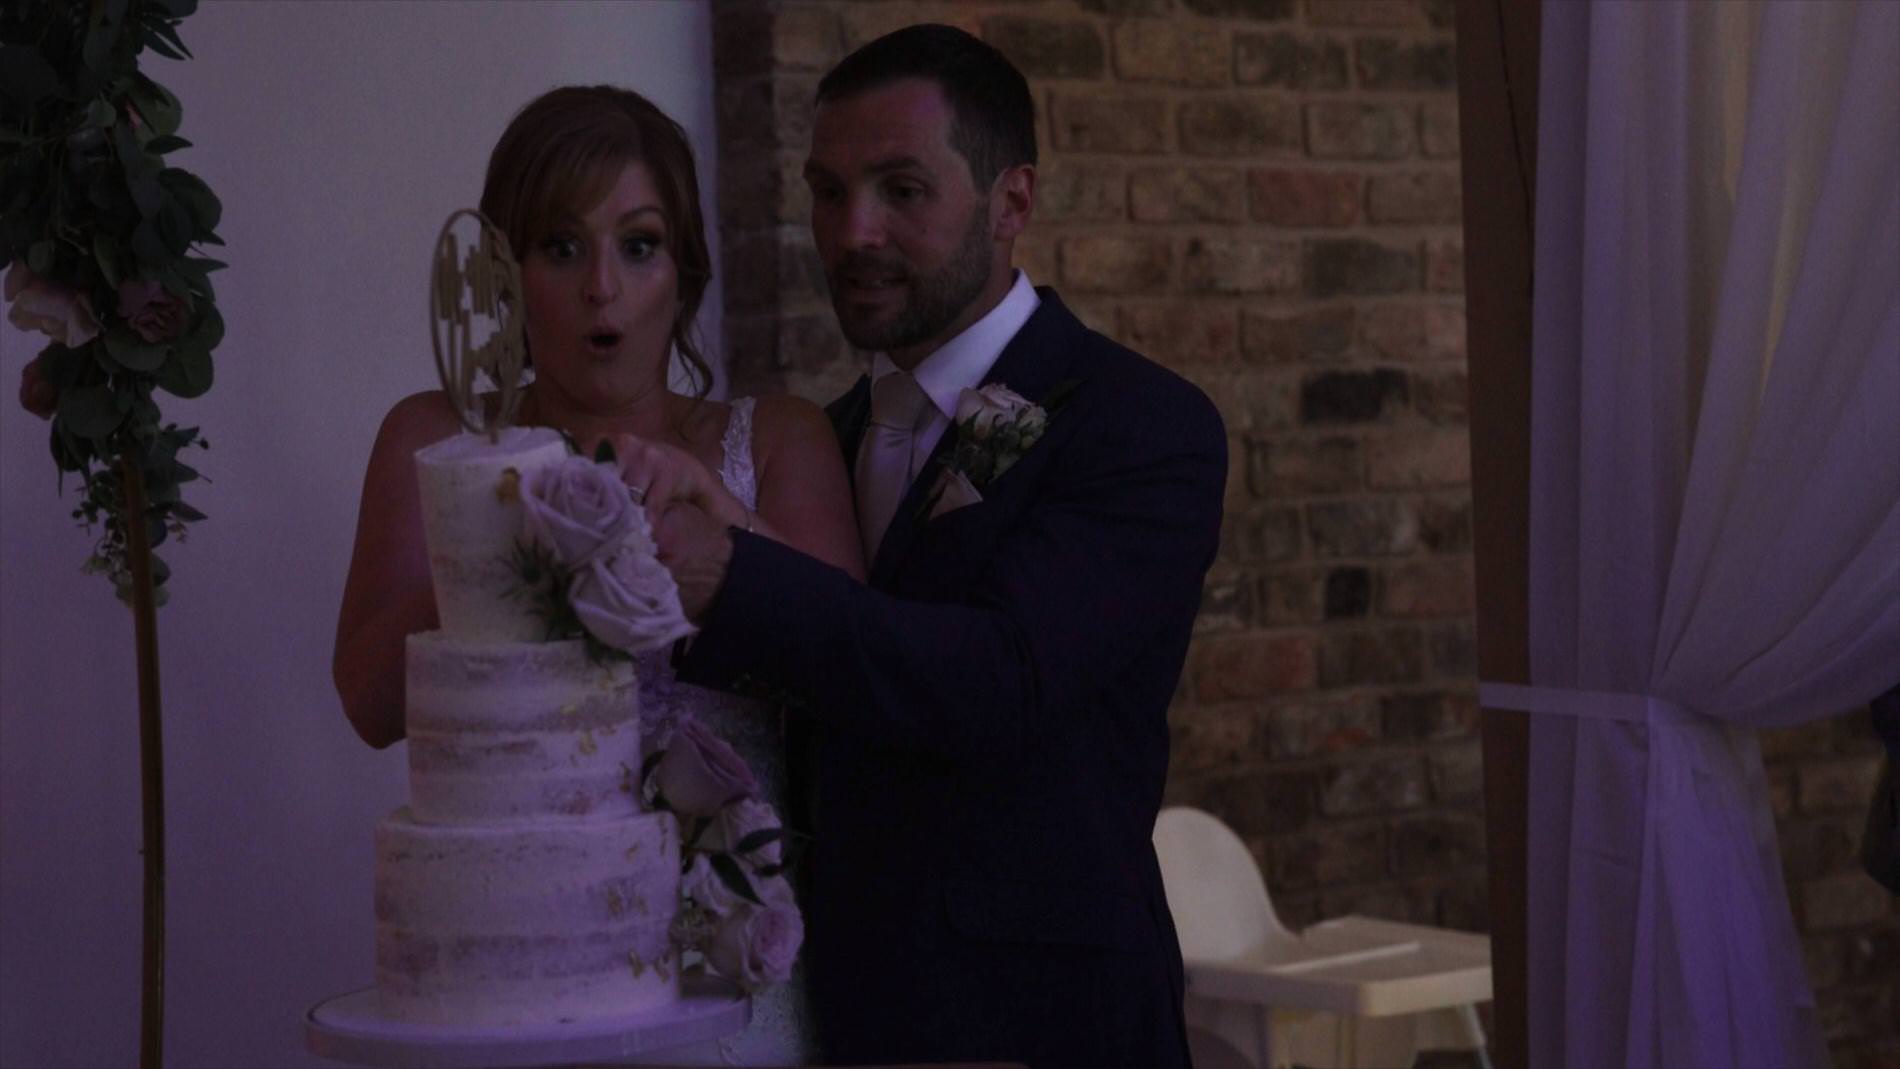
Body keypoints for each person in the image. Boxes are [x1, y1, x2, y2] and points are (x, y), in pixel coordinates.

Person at [635, 25, 1227, 1067]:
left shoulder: (1136, 422)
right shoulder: (831, 434)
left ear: (1012, 203)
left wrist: (740, 571)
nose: (851, 230)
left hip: (1038, 1015)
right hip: (838, 1006)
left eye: (901, 189)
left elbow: (998, 677)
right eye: (827, 191)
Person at [331, 85, 861, 1064]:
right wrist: (506, 526)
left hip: (730, 970)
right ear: (504, 274)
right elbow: (367, 698)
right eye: (561, 248)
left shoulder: (775, 436)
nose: (602, 290)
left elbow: (857, 660)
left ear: (684, 269)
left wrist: (723, 519)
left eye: (639, 244)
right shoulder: (437, 439)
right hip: (508, 987)